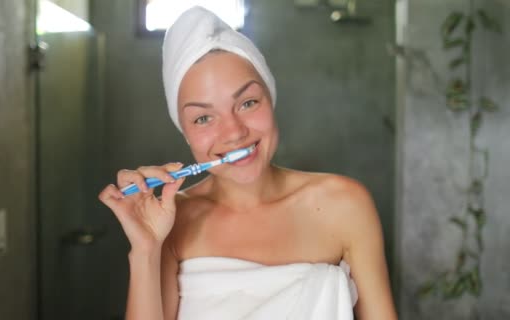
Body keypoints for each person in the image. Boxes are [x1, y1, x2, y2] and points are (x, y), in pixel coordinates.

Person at [99, 6, 397, 320]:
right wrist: (146, 249)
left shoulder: (345, 204)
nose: (234, 132)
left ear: (271, 100)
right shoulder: (171, 223)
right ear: (185, 133)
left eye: (248, 102)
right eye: (203, 118)